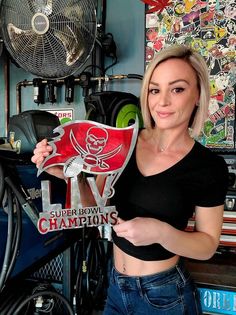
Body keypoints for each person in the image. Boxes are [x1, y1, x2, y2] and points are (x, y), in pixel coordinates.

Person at [32, 45, 228, 314]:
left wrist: (160, 232)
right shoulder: (121, 142)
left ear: (197, 95)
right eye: (155, 90)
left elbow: (207, 245)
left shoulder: (208, 166)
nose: (163, 102)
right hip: (115, 287)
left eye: (178, 89)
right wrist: (67, 175)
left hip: (165, 297)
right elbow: (94, 208)